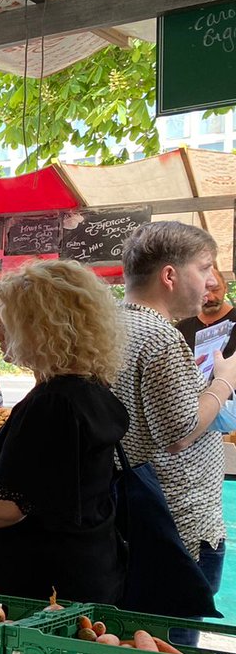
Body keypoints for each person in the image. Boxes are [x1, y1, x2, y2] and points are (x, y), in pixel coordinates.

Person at [0, 260, 128, 602]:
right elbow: (34, 473)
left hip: (47, 588)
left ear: (40, 327)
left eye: (7, 322)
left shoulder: (53, 402)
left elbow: (10, 505)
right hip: (86, 570)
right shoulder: (89, 389)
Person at [111, 221, 236, 611]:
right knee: (168, 642)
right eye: (204, 268)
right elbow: (180, 433)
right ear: (169, 275)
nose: (210, 281)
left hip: (133, 519)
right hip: (177, 527)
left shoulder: (110, 324)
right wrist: (224, 381)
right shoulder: (161, 337)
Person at [176, 264, 236, 354]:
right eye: (202, 292)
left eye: (215, 290)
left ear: (225, 287)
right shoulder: (182, 329)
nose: (210, 298)